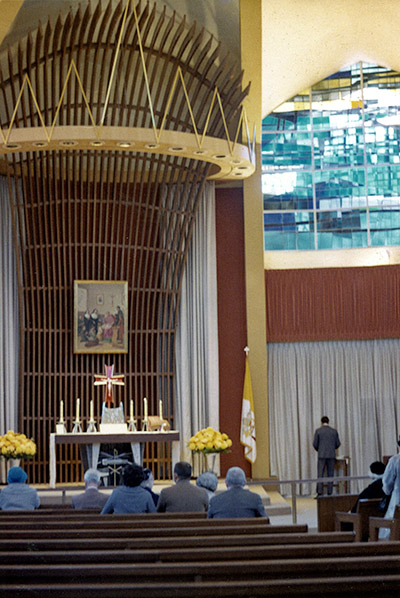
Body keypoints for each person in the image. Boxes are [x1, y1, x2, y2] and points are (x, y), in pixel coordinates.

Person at [313, 416, 341, 496]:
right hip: (331, 455)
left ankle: (319, 493)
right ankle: (330, 492)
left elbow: (315, 444)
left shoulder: (318, 431)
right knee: (330, 474)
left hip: (321, 455)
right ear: (328, 422)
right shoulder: (334, 431)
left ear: (321, 422)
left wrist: (320, 449)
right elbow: (337, 444)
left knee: (320, 474)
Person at [379, 437, 400, 539]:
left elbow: (387, 484)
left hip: (397, 500)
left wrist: (387, 492)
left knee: (390, 532)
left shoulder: (395, 460)